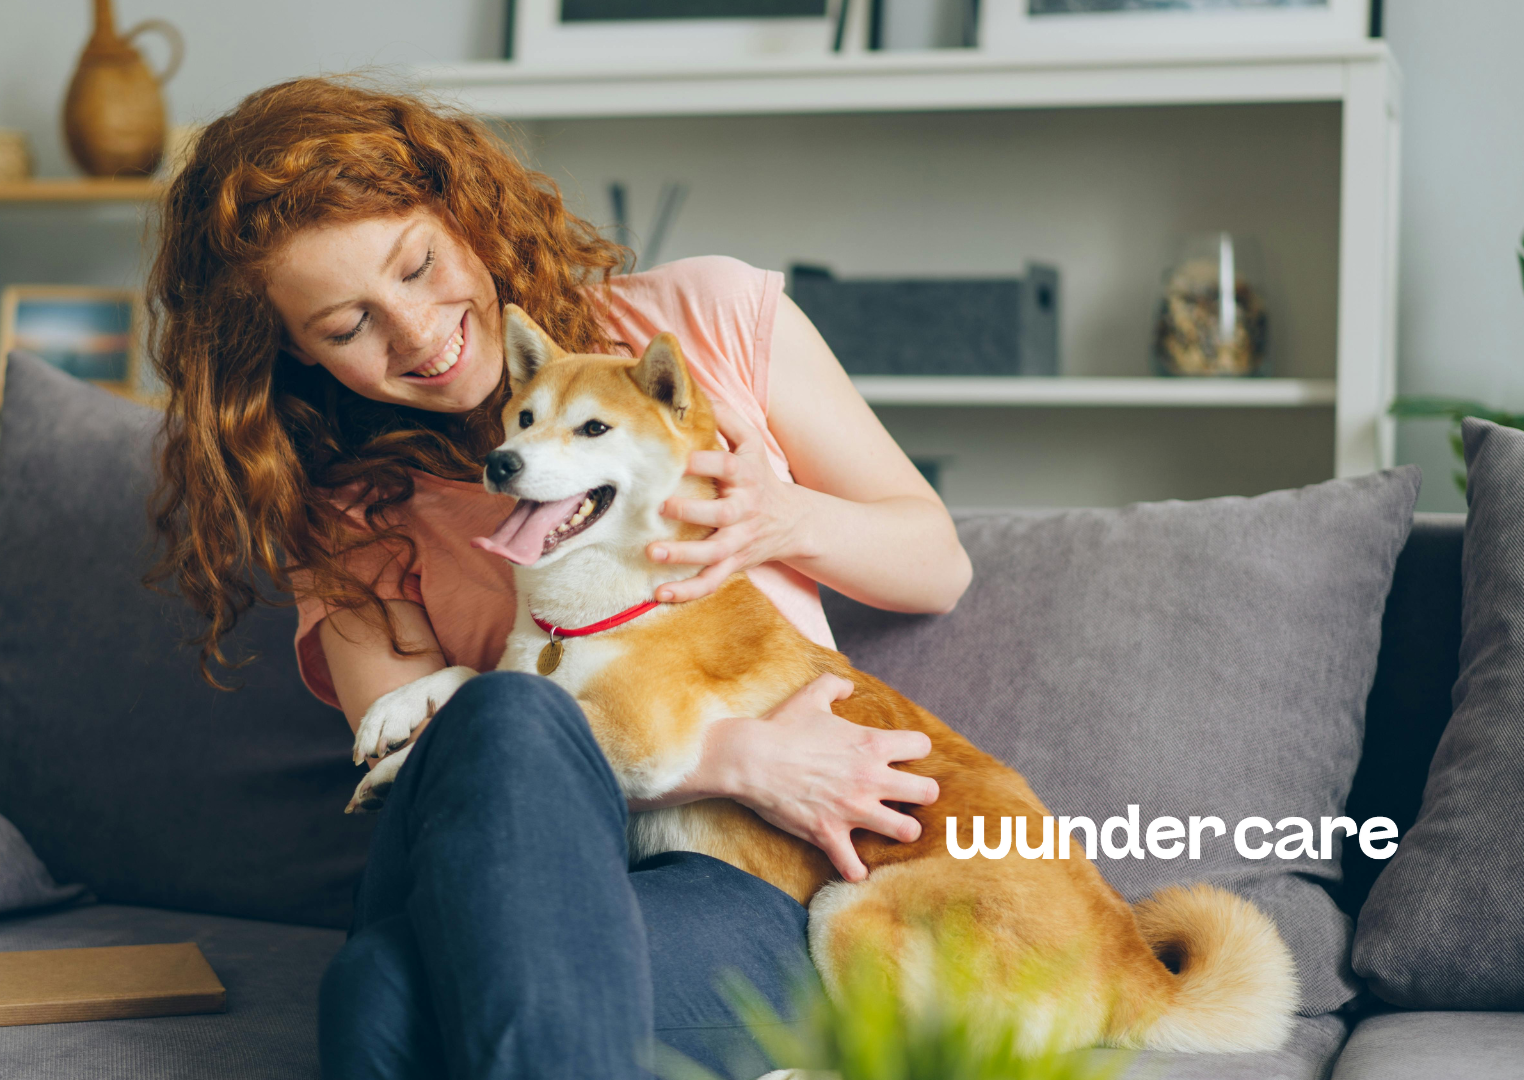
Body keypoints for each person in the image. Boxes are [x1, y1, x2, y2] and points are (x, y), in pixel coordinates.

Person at [146, 77, 973, 1079]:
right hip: (493, 870)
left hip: (737, 882)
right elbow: (432, 770)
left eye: (418, 266)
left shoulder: (702, 322)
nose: (413, 331)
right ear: (292, 353)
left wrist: (784, 517)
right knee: (503, 715)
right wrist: (733, 763)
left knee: (383, 996)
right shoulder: (350, 515)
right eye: (345, 327)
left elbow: (935, 563)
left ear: (466, 215)